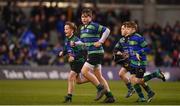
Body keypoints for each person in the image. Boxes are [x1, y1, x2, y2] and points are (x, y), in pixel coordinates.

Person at [114, 21, 166, 102]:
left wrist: (139, 52)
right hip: (133, 62)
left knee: (138, 81)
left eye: (128, 28)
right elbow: (128, 50)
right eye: (126, 28)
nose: (126, 30)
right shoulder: (128, 38)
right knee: (133, 79)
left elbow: (148, 48)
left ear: (134, 29)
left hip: (140, 62)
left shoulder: (138, 37)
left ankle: (155, 74)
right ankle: (145, 96)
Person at [71, 8, 115, 103]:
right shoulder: (82, 28)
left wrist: (100, 41)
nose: (84, 18)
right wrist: (76, 43)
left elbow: (107, 30)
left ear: (91, 17)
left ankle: (100, 88)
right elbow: (84, 43)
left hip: (96, 52)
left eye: (86, 17)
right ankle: (110, 96)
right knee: (99, 77)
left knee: (84, 71)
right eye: (82, 17)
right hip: (92, 52)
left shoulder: (94, 26)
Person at [59, 22, 89, 103]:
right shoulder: (66, 39)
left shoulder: (76, 40)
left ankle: (69, 96)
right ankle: (94, 79)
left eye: (67, 29)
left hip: (79, 61)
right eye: (64, 29)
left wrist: (73, 56)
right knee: (78, 81)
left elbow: (82, 51)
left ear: (72, 30)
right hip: (73, 62)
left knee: (70, 77)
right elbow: (66, 49)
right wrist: (63, 52)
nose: (65, 30)